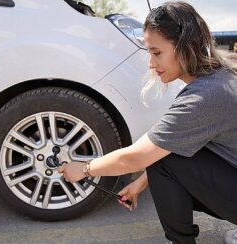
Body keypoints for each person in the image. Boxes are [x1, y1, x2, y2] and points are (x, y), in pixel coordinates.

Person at [58, 1, 237, 244]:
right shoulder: (223, 75)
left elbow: (137, 157)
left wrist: (84, 169)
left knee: (160, 158)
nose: (151, 64)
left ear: (186, 46)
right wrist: (140, 183)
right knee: (163, 152)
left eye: (157, 52)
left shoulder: (205, 96)